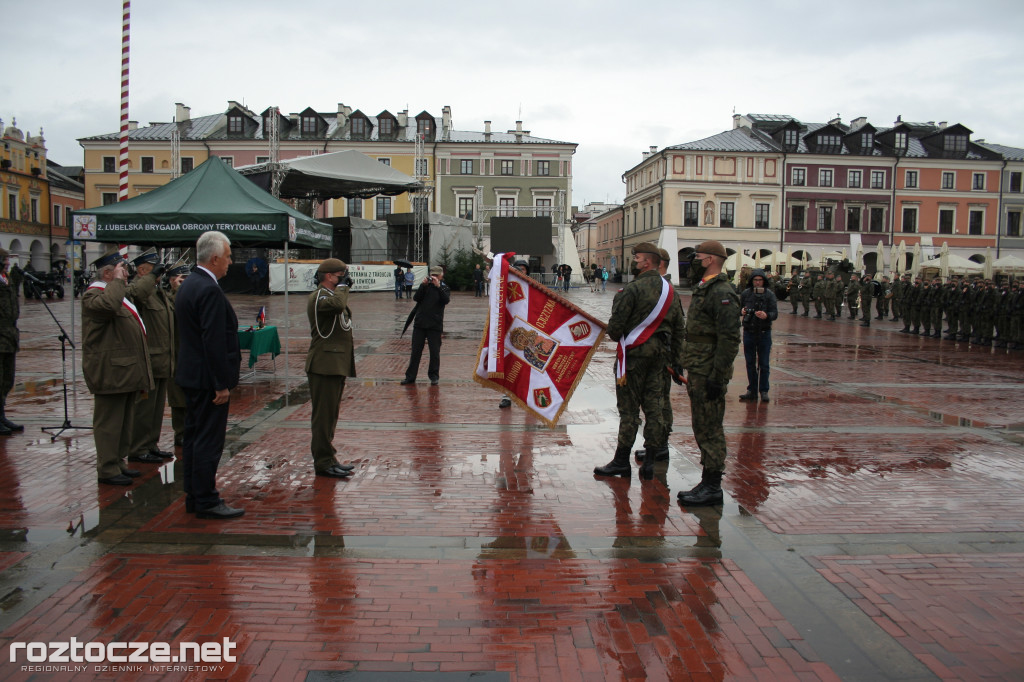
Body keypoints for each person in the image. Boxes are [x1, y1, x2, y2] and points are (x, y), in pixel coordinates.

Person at [595, 243, 684, 480]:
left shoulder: (631, 290)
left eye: (637, 259)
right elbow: (679, 329)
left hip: (633, 359)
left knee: (629, 411)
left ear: (647, 263)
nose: (634, 262)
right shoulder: (670, 292)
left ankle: (622, 461)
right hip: (660, 357)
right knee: (655, 409)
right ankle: (651, 461)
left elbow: (615, 330)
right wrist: (677, 362)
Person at [175, 231, 243, 519]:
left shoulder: (190, 284)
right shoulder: (208, 289)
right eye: (227, 257)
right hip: (207, 380)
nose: (230, 262)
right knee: (207, 440)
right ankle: (205, 499)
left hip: (191, 376)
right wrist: (221, 383)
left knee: (192, 437)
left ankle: (194, 494)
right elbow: (213, 340)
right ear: (214, 258)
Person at [82, 246, 154, 486]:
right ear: (107, 274)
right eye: (122, 269)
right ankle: (107, 468)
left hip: (123, 372)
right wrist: (116, 282)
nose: (127, 274)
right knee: (109, 424)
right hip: (109, 373)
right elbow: (108, 307)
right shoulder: (94, 296)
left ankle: (118, 462)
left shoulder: (116, 294)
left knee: (123, 422)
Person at [677, 240, 740, 507]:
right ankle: (707, 480)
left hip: (710, 370)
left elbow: (729, 338)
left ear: (712, 259)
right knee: (701, 424)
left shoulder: (722, 292)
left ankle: (713, 486)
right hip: (699, 367)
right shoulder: (704, 288)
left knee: (710, 427)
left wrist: (719, 375)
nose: (695, 261)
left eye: (698, 257)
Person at [306, 258, 357, 479]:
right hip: (323, 365)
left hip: (334, 364)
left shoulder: (331, 296)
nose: (343, 280)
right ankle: (322, 461)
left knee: (331, 416)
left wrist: (342, 287)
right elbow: (337, 306)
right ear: (328, 276)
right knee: (323, 417)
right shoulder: (320, 297)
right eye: (339, 276)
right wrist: (343, 287)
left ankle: (328, 457)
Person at [124, 248, 174, 464]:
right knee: (144, 409)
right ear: (142, 270)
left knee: (155, 410)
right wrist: (152, 277)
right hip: (149, 360)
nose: (158, 273)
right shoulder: (138, 289)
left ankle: (151, 444)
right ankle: (138, 448)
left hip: (162, 359)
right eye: (153, 269)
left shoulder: (156, 291)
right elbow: (134, 295)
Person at [401, 265, 451, 386]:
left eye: (435, 275)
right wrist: (423, 286)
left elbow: (446, 300)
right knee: (415, 352)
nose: (433, 277)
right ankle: (410, 377)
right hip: (420, 324)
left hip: (435, 325)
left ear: (441, 276)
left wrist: (438, 287)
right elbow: (416, 298)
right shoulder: (425, 286)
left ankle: (434, 376)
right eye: (431, 274)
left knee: (434, 352)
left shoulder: (444, 288)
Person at [738, 269, 778, 403]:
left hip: (764, 332)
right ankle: (752, 389)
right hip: (749, 331)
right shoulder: (746, 294)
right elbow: (738, 309)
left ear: (764, 281)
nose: (757, 283)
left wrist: (766, 316)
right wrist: (742, 311)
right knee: (750, 363)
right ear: (752, 281)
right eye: (755, 280)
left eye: (760, 280)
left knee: (764, 364)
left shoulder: (769, 295)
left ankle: (764, 390)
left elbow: (775, 313)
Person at [164, 257, 189, 449]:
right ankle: (180, 433)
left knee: (188, 396)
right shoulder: (167, 298)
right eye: (181, 278)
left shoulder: (186, 294)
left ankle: (188, 430)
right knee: (177, 399)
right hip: (173, 353)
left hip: (187, 351)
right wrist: (179, 289)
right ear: (172, 280)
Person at [0, 248, 24, 435]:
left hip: (8, 337)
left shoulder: (6, 279)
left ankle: (2, 415)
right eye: (4, 259)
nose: (8, 262)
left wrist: (15, 281)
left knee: (7, 380)